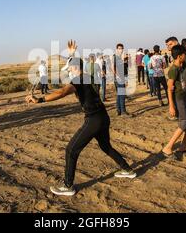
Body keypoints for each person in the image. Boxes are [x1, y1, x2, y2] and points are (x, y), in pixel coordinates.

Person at [26, 40, 136, 196]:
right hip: (103, 116)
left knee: (71, 149)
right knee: (106, 146)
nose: (68, 70)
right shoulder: (86, 75)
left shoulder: (77, 79)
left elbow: (61, 92)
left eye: (69, 68)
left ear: (75, 68)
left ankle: (67, 185)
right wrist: (71, 54)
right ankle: (127, 169)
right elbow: (78, 64)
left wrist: (40, 100)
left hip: (94, 119)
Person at [162, 45, 186, 160]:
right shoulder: (173, 70)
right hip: (179, 99)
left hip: (184, 97)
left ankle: (183, 146)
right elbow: (169, 88)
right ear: (179, 56)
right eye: (184, 54)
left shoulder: (181, 66)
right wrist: (171, 106)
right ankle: (168, 147)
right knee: (183, 123)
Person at [112, 44, 129, 116]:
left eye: (122, 48)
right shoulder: (115, 57)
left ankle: (118, 110)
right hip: (119, 78)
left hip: (122, 77)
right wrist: (118, 76)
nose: (121, 49)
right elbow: (113, 67)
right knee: (122, 94)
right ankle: (123, 111)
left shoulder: (120, 57)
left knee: (119, 94)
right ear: (116, 49)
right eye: (119, 48)